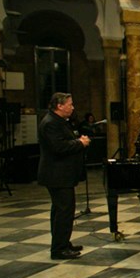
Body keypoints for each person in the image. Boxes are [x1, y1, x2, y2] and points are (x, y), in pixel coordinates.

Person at [38, 93, 91, 259]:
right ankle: (59, 249)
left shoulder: (58, 121)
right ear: (60, 106)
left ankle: (62, 242)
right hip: (57, 174)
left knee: (61, 210)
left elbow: (64, 140)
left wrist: (77, 140)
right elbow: (58, 147)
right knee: (64, 211)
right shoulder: (51, 123)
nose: (73, 107)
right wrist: (80, 143)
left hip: (61, 174)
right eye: (70, 104)